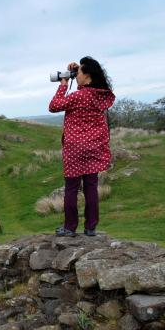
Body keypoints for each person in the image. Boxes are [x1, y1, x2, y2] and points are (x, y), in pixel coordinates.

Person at [48, 56, 115, 237]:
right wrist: (78, 69)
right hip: (94, 146)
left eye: (78, 73)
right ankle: (91, 227)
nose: (75, 76)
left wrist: (63, 84)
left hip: (75, 148)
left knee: (71, 188)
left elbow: (53, 106)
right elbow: (86, 88)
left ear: (87, 75)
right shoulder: (100, 94)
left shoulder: (78, 96)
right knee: (91, 188)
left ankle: (70, 228)